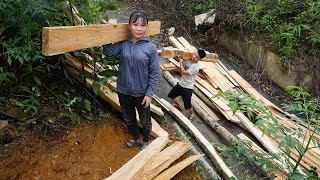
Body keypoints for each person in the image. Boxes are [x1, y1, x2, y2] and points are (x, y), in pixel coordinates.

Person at [102, 11, 160, 150]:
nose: (139, 28)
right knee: (128, 118)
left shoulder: (150, 48)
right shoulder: (123, 45)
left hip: (141, 93)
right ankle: (137, 138)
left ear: (147, 27)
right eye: (135, 24)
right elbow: (107, 51)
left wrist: (149, 93)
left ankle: (146, 141)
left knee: (145, 120)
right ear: (129, 26)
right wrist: (109, 29)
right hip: (123, 91)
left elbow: (154, 72)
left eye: (143, 25)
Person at [168, 49, 206, 120]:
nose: (194, 57)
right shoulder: (188, 61)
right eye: (194, 54)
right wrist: (182, 62)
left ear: (199, 59)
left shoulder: (196, 67)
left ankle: (192, 113)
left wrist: (181, 62)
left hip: (188, 87)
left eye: (197, 57)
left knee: (187, 105)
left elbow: (183, 72)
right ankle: (179, 105)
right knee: (171, 96)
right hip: (181, 84)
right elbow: (180, 70)